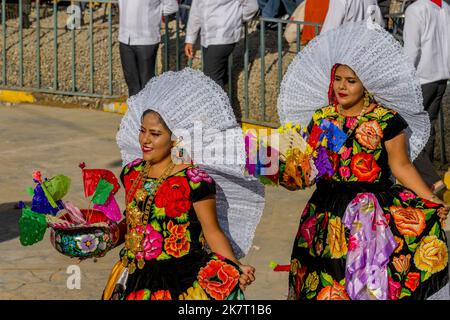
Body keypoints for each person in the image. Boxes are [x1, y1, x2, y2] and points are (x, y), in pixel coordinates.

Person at [276, 21, 449, 300]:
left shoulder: (385, 120)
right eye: (338, 79)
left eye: (351, 81)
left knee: (366, 283)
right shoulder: (324, 118)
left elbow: (401, 166)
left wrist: (430, 199)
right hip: (325, 211)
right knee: (324, 283)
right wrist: (291, 173)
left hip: (368, 215)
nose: (342, 87)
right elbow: (321, 166)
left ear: (366, 83)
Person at [102, 68, 265, 300]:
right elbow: (133, 221)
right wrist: (102, 239)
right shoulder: (132, 172)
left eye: (155, 134)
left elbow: (212, 232)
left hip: (179, 282)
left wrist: (234, 266)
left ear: (175, 138)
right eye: (142, 131)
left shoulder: (195, 180)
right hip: (133, 277)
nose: (145, 140)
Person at [404, 0, 450, 195]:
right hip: (441, 77)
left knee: (407, 132)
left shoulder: (416, 9)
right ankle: (427, 177)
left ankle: (431, 180)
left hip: (421, 79)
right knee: (427, 128)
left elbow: (411, 50)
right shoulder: (446, 8)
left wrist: (403, 79)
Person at [184, 0, 258, 88]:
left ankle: (218, 101)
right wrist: (190, 39)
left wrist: (236, 19)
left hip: (224, 36)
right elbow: (196, 9)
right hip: (206, 36)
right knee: (215, 75)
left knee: (211, 79)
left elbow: (252, 6)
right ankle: (226, 98)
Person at [118, 0, 179, 97]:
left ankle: (147, 110)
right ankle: (135, 111)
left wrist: (153, 14)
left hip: (146, 39)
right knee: (132, 84)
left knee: (146, 84)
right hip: (125, 38)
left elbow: (172, 6)